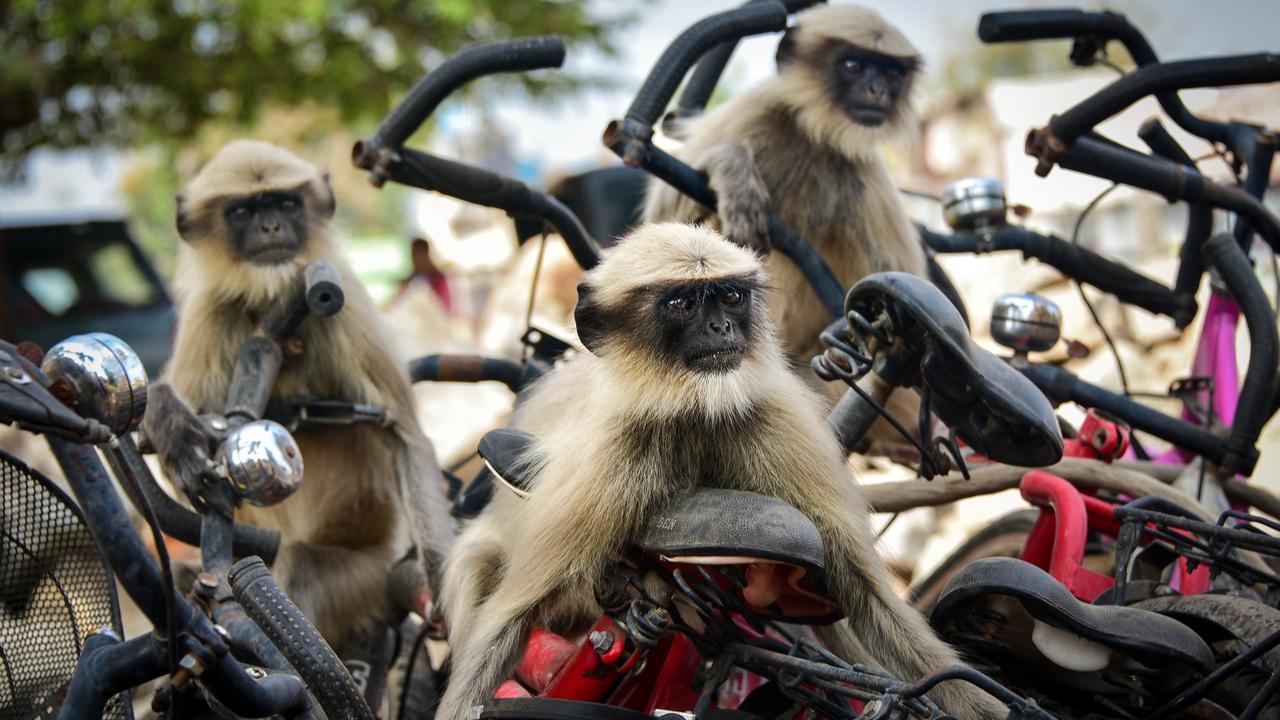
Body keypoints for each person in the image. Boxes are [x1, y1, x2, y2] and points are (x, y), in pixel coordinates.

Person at [400, 237, 453, 313]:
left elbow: (443, 307)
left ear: (425, 254)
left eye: (417, 254)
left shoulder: (437, 277)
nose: (414, 258)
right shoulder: (414, 277)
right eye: (413, 254)